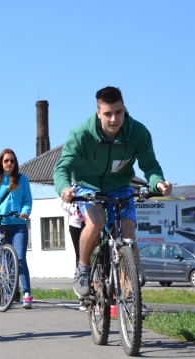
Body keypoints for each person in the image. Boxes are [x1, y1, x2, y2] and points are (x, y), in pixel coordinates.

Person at [54, 86, 172, 299]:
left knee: (128, 232)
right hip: (88, 185)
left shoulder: (138, 132)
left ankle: (132, 293)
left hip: (120, 186)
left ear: (124, 109)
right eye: (108, 114)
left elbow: (150, 165)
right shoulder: (81, 134)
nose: (114, 119)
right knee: (96, 222)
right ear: (98, 113)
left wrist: (159, 183)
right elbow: (61, 168)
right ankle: (83, 269)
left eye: (119, 112)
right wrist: (63, 188)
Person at [0, 149, 34, 309]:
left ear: (16, 163)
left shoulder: (22, 179)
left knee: (20, 258)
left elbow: (27, 200)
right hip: (1, 224)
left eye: (12, 161)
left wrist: (26, 211)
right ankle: (8, 294)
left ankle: (27, 293)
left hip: (19, 224)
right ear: (1, 163)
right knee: (5, 261)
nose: (9, 163)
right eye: (6, 161)